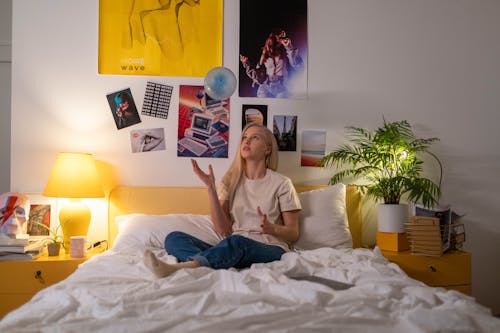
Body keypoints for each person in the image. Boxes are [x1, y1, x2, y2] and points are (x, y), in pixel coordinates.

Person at [144, 123, 302, 278]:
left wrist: (272, 228)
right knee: (174, 238)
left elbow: (293, 233)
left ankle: (187, 266)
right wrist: (211, 189)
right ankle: (207, 264)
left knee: (236, 242)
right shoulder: (231, 182)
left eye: (255, 138)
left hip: (270, 247)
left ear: (267, 149)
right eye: (244, 138)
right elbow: (223, 229)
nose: (246, 141)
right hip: (234, 245)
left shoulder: (282, 183)